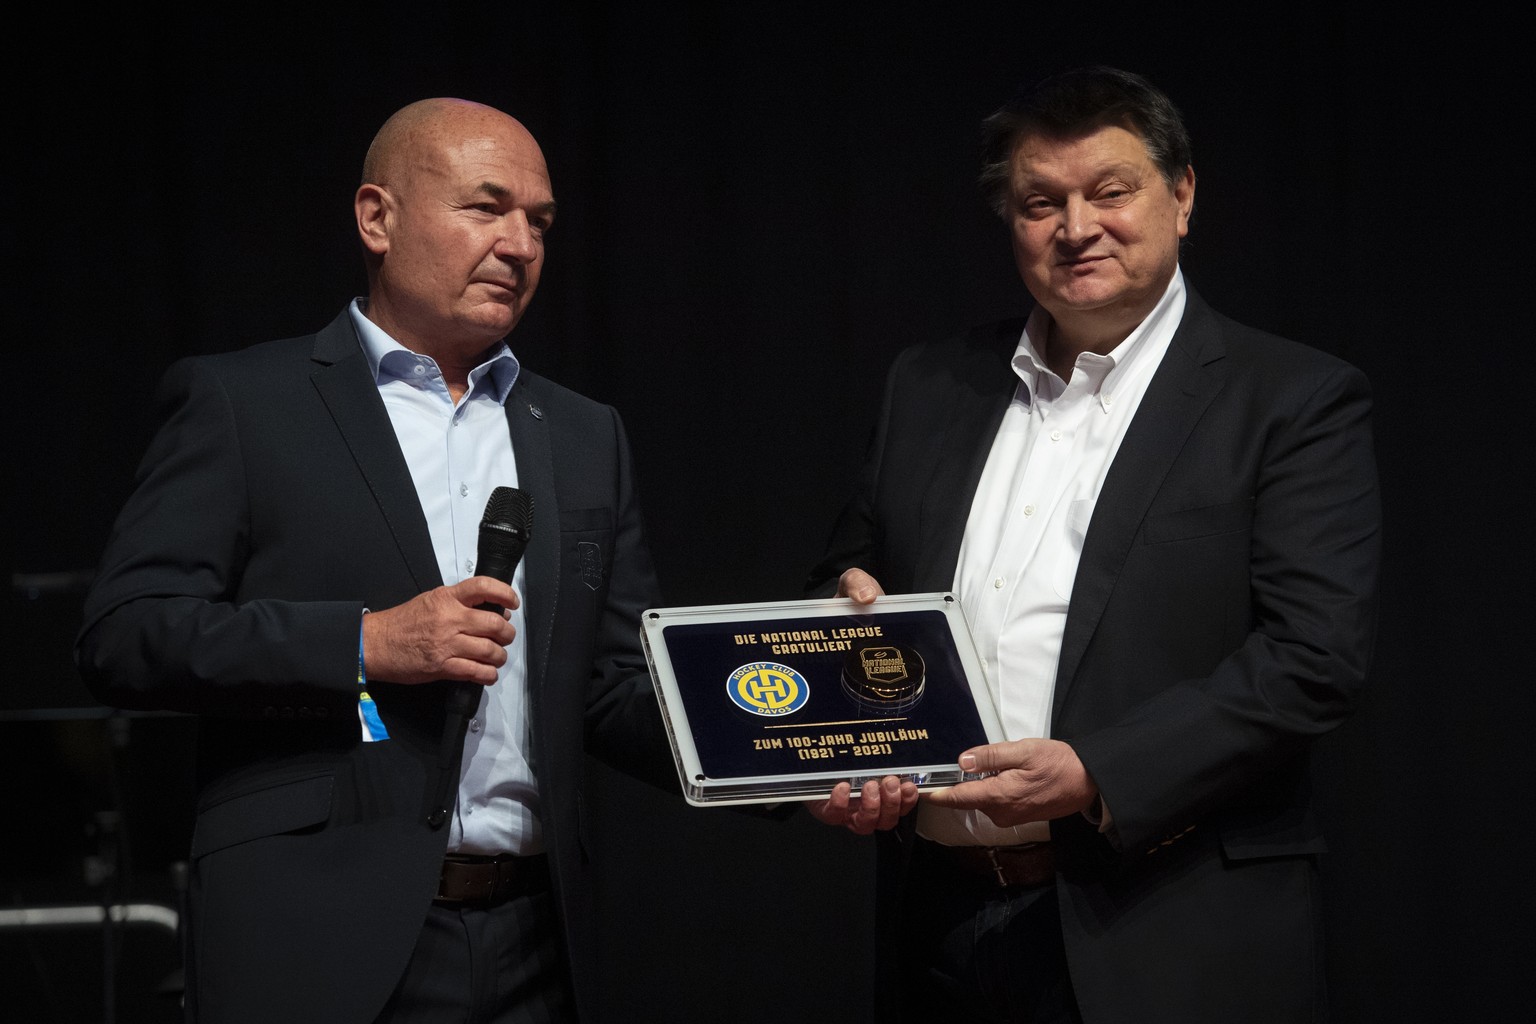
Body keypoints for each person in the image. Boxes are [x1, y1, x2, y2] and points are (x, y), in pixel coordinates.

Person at [74, 97, 675, 1024]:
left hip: (536, 944)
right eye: (486, 207)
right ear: (376, 218)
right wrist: (365, 645)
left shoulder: (586, 434)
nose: (520, 243)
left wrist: (791, 748)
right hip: (318, 932)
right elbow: (126, 634)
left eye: (540, 222)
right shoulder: (246, 403)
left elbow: (612, 686)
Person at [805, 66, 1381, 1022]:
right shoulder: (932, 385)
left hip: (1167, 925)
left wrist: (1096, 774)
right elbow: (848, 572)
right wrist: (838, 636)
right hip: (935, 919)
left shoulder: (1289, 400)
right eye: (1043, 202)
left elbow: (1314, 658)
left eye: (1110, 191)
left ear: (1183, 194)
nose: (1077, 227)